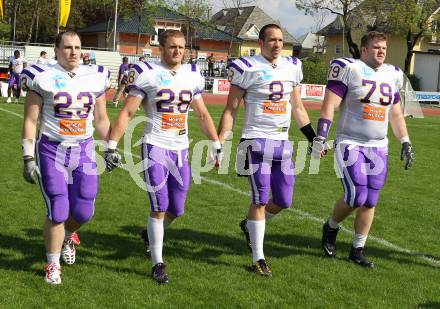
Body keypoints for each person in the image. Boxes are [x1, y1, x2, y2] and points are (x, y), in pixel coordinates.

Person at [105, 29, 222, 284]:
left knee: (177, 209)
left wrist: (215, 143)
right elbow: (127, 113)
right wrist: (112, 144)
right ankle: (158, 263)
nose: (177, 51)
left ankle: (149, 235)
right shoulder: (147, 74)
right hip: (155, 145)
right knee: (159, 206)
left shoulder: (192, 75)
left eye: (181, 47)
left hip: (181, 148)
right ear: (161, 48)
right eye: (172, 47)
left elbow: (202, 114)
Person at [217, 24, 317, 277]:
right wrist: (220, 143)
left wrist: (312, 137)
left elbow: (297, 107)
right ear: (261, 42)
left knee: (283, 200)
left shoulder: (292, 67)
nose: (277, 44)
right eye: (272, 40)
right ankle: (258, 257)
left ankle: (250, 226)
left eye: (280, 40)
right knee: (260, 198)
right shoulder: (246, 68)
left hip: (282, 143)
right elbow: (231, 110)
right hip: (255, 141)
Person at [312, 31, 415, 268]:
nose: (381, 51)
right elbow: (330, 105)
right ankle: (331, 227)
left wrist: (406, 141)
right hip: (350, 141)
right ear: (364, 49)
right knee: (356, 195)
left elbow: (396, 114)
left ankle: (357, 249)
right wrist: (321, 136)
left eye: (384, 48)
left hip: (379, 145)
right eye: (377, 47)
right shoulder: (349, 68)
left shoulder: (393, 74)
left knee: (371, 199)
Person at [21, 31, 112, 284]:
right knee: (58, 209)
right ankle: (52, 264)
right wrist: (28, 157)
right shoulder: (42, 75)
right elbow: (30, 120)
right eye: (68, 47)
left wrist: (111, 145)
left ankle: (69, 235)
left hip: (83, 148)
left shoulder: (95, 76)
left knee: (84, 211)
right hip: (52, 149)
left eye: (78, 47)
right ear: (56, 50)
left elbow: (102, 118)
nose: (74, 52)